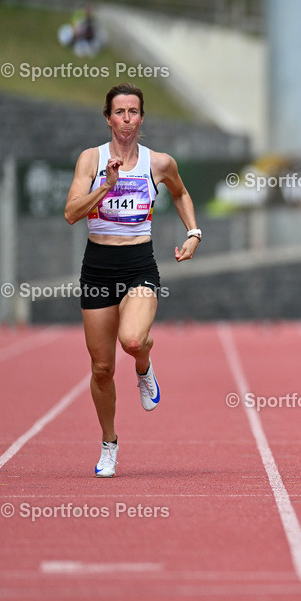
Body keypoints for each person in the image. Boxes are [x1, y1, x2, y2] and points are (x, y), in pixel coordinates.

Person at [64, 83, 202, 477]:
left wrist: (193, 233)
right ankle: (109, 444)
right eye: (119, 112)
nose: (126, 119)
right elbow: (71, 213)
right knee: (102, 369)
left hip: (139, 263)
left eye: (133, 112)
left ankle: (143, 365)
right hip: (97, 267)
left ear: (142, 118)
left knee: (133, 340)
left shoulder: (158, 163)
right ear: (108, 117)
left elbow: (181, 193)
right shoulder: (90, 160)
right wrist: (105, 185)